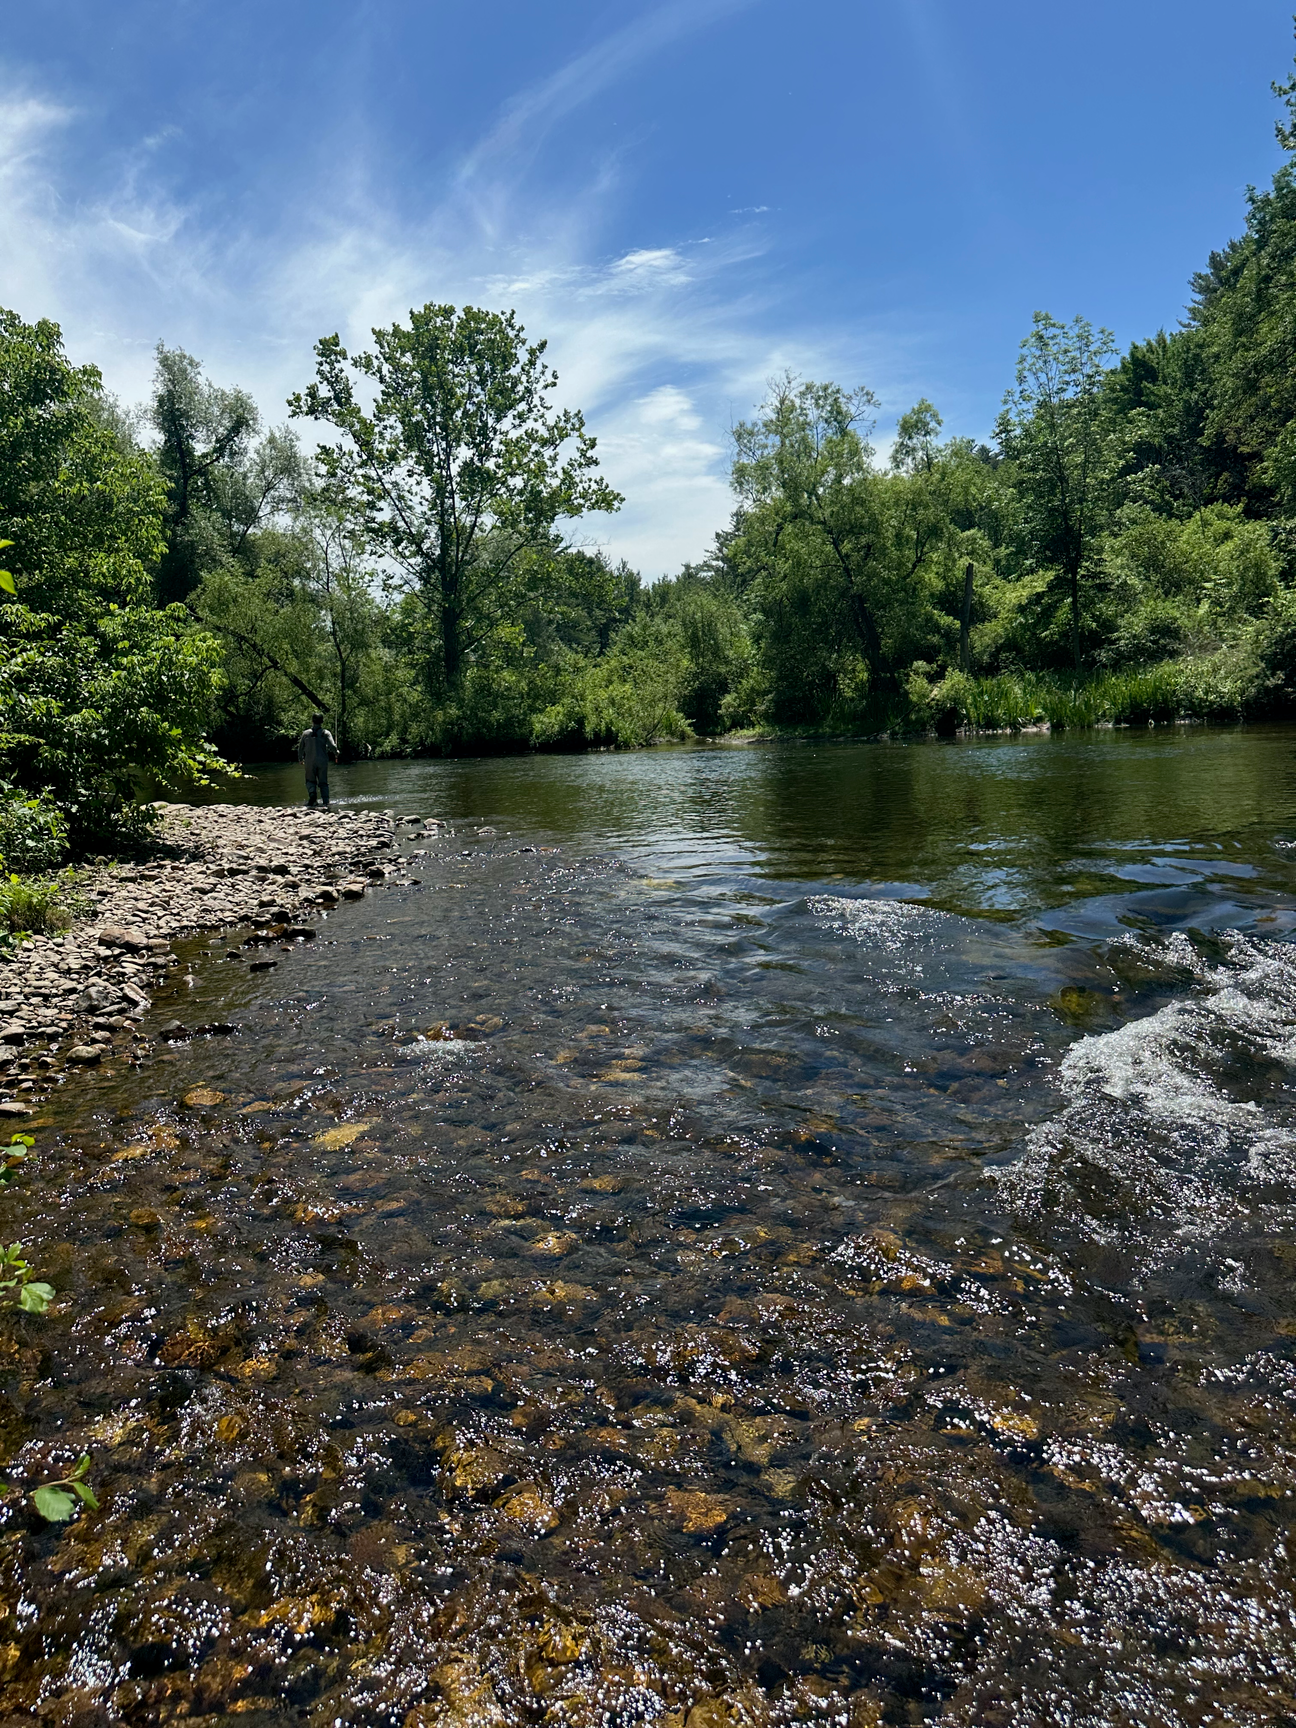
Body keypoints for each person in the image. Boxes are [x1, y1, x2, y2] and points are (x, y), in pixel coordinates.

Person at [297, 713, 339, 809]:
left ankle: (313, 796)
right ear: (322, 722)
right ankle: (326, 802)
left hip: (309, 761)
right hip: (322, 761)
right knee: (323, 782)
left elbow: (300, 748)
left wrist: (300, 759)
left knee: (310, 780)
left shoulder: (306, 733)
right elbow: (332, 746)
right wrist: (336, 752)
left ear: (312, 721)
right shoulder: (326, 733)